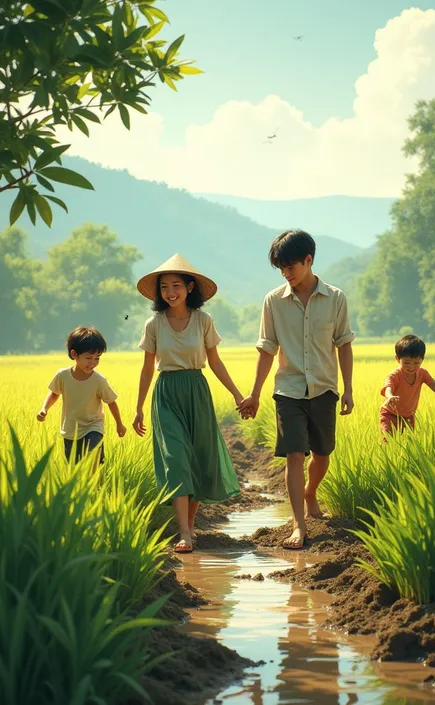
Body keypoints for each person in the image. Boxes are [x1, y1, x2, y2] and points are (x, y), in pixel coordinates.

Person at [239, 230, 355, 550]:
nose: (286, 274)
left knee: (322, 454)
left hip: (324, 388)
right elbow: (266, 349)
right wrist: (255, 393)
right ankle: (299, 525)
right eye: (281, 268)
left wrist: (348, 389)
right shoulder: (273, 301)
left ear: (309, 261)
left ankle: (310, 492)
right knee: (294, 455)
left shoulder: (335, 298)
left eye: (291, 266)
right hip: (288, 390)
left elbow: (344, 345)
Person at [133, 253, 242, 554]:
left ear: (190, 287)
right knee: (177, 460)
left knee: (197, 461)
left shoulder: (203, 320)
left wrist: (236, 393)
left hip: (197, 391)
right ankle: (183, 532)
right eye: (165, 287)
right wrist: (139, 407)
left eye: (176, 285)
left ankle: (190, 529)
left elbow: (215, 362)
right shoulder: (153, 324)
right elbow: (146, 368)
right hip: (166, 393)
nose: (170, 292)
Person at [37, 326, 126, 463]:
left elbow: (111, 402)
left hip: (93, 425)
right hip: (71, 429)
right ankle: (84, 485)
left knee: (93, 456)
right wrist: (44, 409)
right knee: (75, 466)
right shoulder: (63, 376)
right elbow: (54, 393)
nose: (93, 363)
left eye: (97, 358)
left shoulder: (99, 380)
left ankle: (96, 483)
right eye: (88, 358)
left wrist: (119, 424)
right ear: (74, 354)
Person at [380, 334, 435, 436]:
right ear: (397, 359)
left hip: (409, 415)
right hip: (390, 414)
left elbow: (433, 383)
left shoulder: (422, 373)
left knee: (409, 442)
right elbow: (388, 387)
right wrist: (390, 397)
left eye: (416, 363)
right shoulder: (394, 375)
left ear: (422, 359)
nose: (411, 367)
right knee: (388, 440)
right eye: (407, 363)